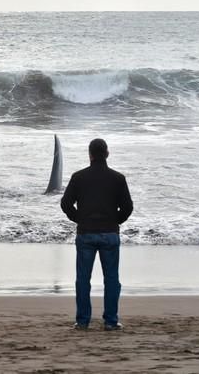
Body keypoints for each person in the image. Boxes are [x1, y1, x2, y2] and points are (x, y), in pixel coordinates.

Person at [61, 138, 133, 331]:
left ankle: (82, 321)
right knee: (111, 279)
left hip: (86, 233)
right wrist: (115, 221)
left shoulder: (79, 177)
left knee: (83, 279)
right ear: (107, 153)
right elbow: (128, 207)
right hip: (109, 233)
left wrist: (80, 219)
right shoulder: (118, 178)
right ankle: (110, 321)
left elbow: (65, 204)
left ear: (90, 155)